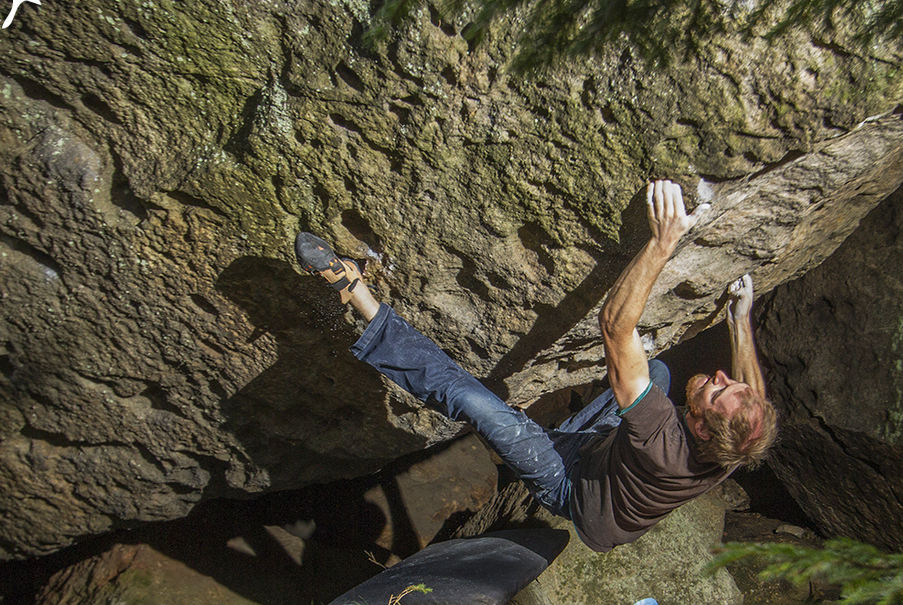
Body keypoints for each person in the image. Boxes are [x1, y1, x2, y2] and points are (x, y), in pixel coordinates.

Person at [295, 179, 777, 552]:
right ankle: (552, 431)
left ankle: (357, 293)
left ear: (700, 430)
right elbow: (754, 393)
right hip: (607, 461)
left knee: (477, 405)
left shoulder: (659, 439)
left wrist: (662, 243)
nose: (721, 376)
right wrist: (740, 319)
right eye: (728, 382)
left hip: (573, 488)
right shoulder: (739, 446)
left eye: (716, 392)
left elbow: (615, 325)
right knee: (662, 376)